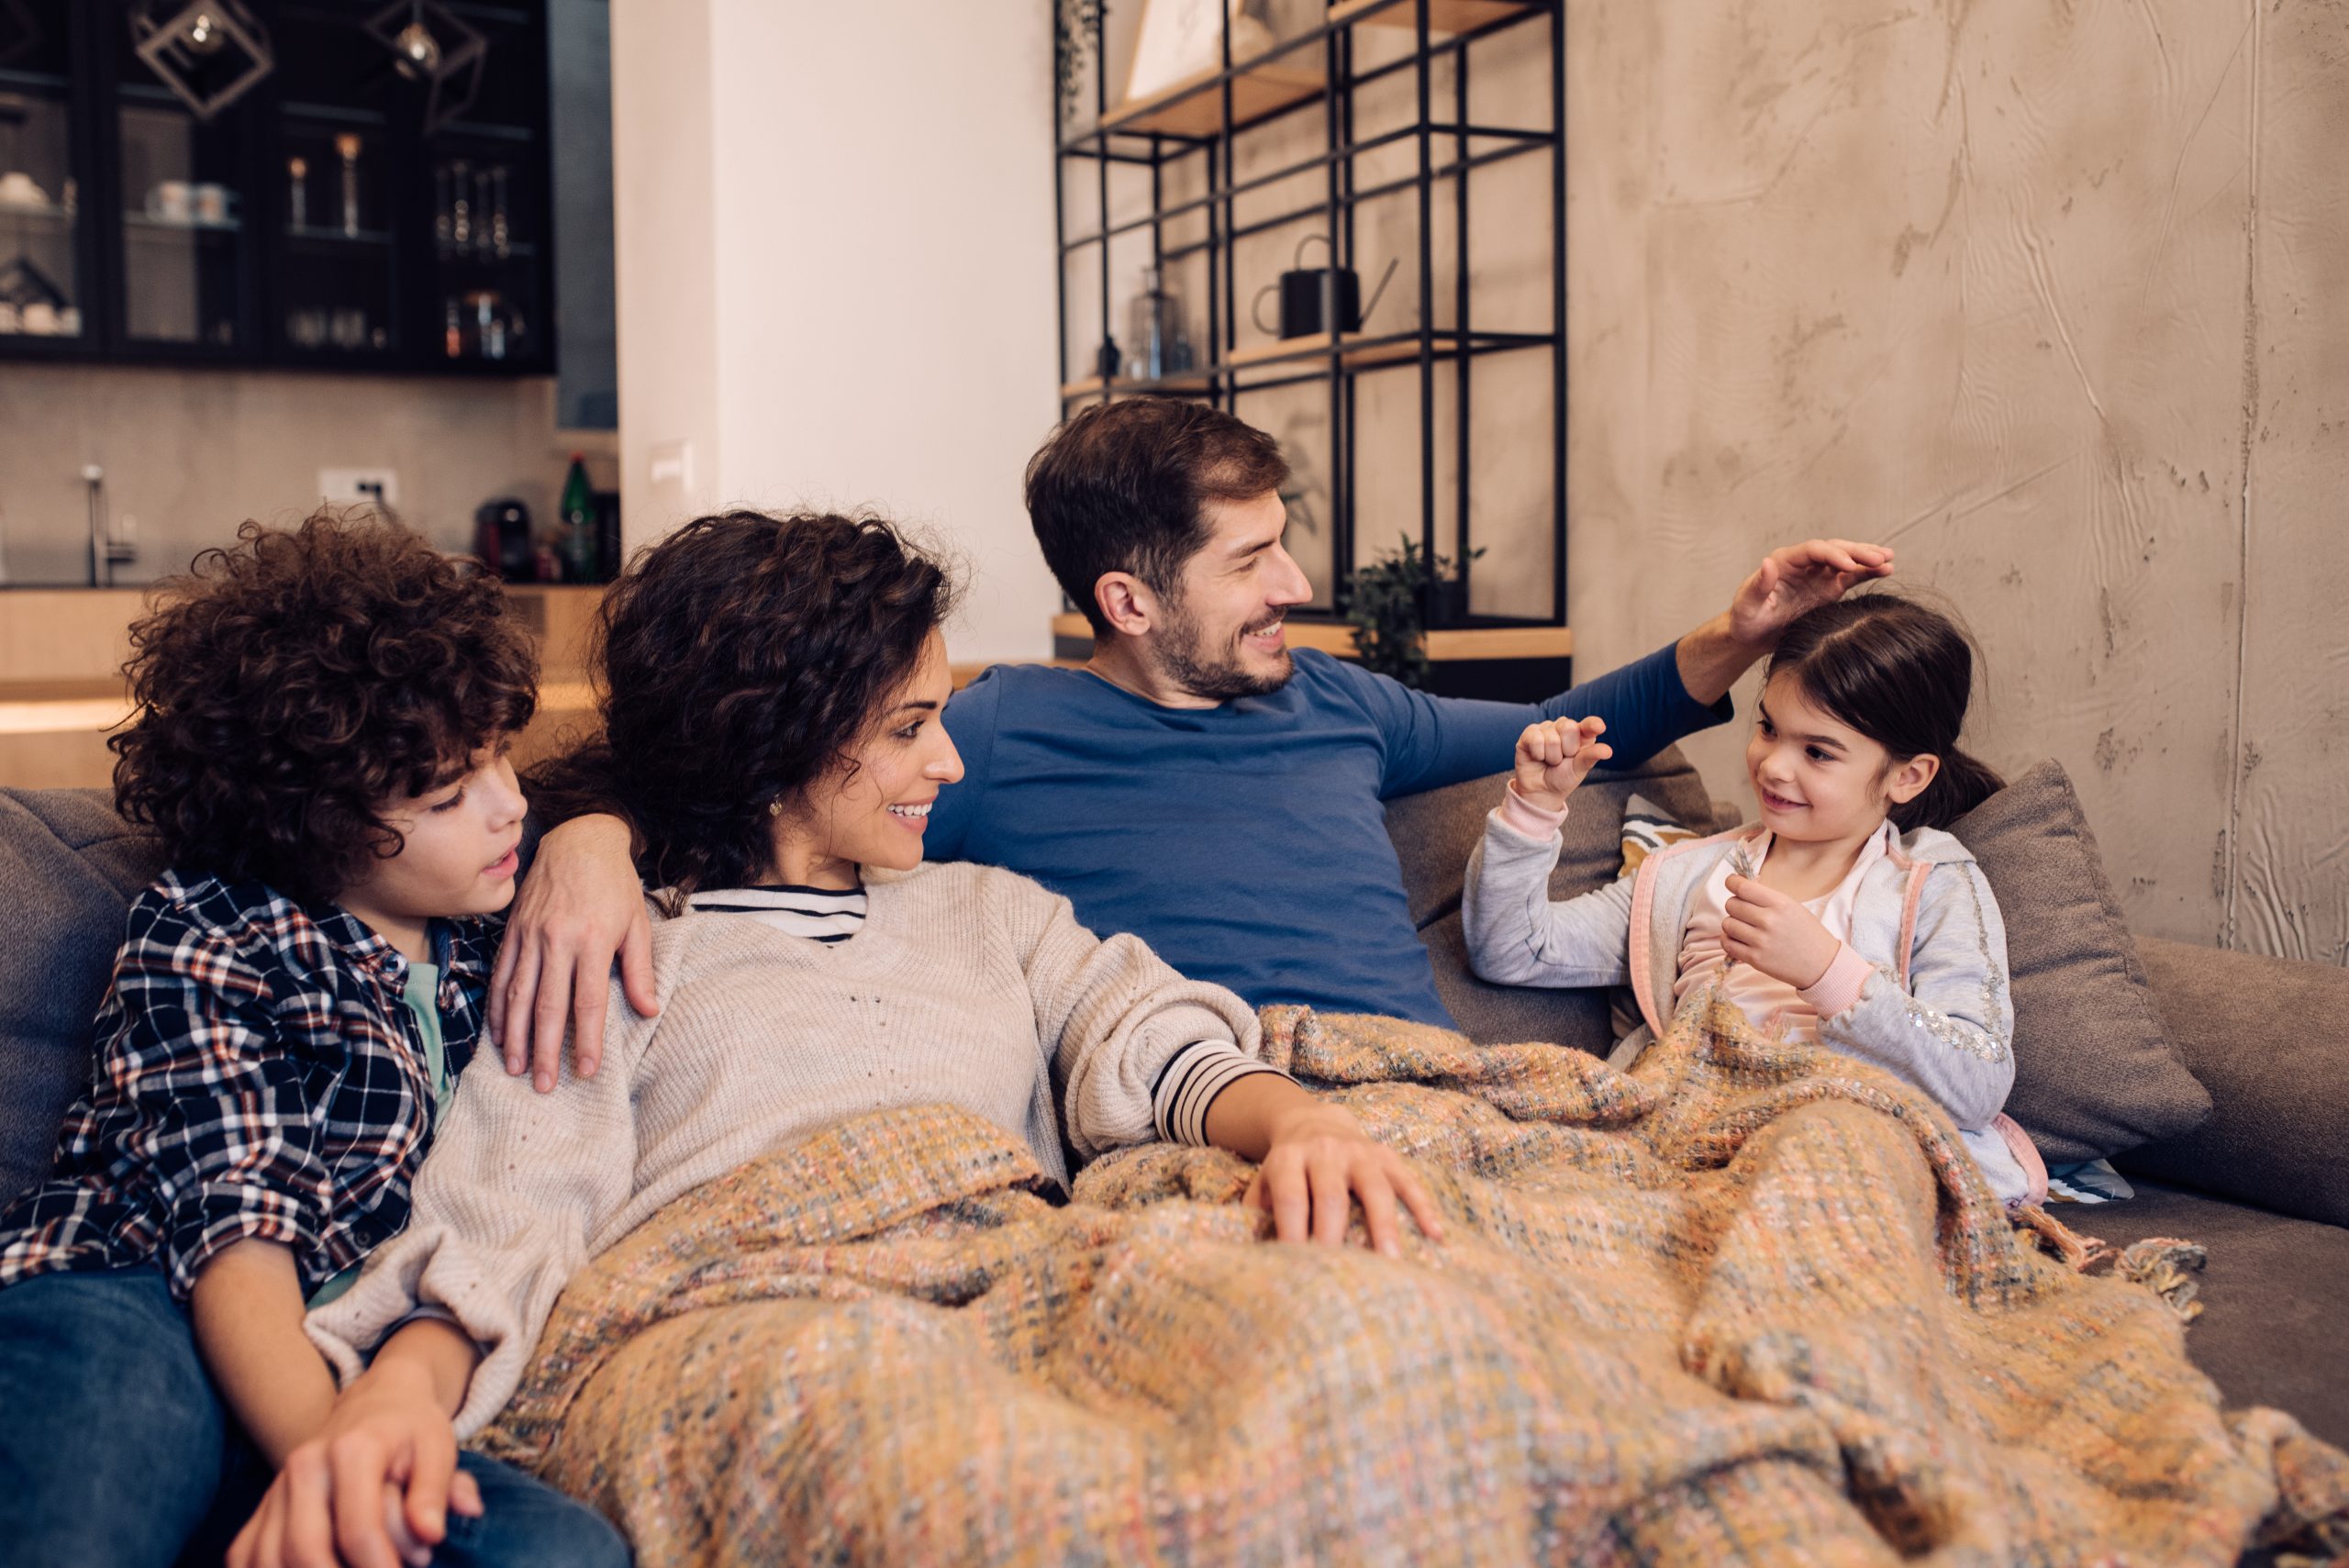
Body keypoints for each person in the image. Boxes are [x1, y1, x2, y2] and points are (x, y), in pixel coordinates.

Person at [228, 511, 1441, 1567]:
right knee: (958, 1481)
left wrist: (1301, 1120)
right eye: (911, 726)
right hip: (748, 1321)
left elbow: (1142, 1026)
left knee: (1351, 1342)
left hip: (1023, 1275)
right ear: (780, 739)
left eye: (943, 715)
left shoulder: (987, 910)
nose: (950, 761)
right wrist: (395, 1399)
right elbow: (517, 1190)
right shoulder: (630, 943)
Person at [494, 398, 1898, 1082]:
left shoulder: (1339, 698)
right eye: (1253, 562)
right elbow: (750, 775)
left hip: (1456, 1097)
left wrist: (1738, 628)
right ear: (1128, 599)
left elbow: (1563, 729)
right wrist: (587, 840)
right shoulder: (980, 739)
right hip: (1212, 1111)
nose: (1296, 588)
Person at [0, 514, 628, 1568]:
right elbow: (232, 1230)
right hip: (148, 1301)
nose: (507, 804)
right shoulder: (211, 928)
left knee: (562, 1548)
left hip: (364, 1349)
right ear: (311, 822)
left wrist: (596, 835)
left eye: (502, 760)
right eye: (447, 793)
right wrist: (328, 1458)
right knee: (97, 1479)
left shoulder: (494, 936)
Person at [1461, 594, 2042, 1205]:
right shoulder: (1691, 876)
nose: (1774, 766)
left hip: (1840, 1154)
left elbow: (1977, 1080)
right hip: (1686, 1140)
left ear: (1908, 775)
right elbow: (1511, 949)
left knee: (1824, 1150)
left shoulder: (1932, 882)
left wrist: (1828, 971)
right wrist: (1533, 808)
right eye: (1767, 727)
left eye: (1817, 751)